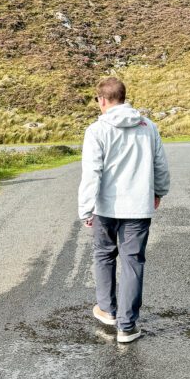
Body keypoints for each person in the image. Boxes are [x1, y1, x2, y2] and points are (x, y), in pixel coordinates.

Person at [78, 76, 170, 343]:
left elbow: (91, 173)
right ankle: (127, 326)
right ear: (124, 97)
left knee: (104, 255)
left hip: (105, 208)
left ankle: (107, 310)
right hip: (138, 208)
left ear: (103, 100)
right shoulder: (148, 127)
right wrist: (158, 192)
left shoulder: (96, 131)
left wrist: (86, 209)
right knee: (132, 262)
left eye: (98, 100)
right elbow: (160, 165)